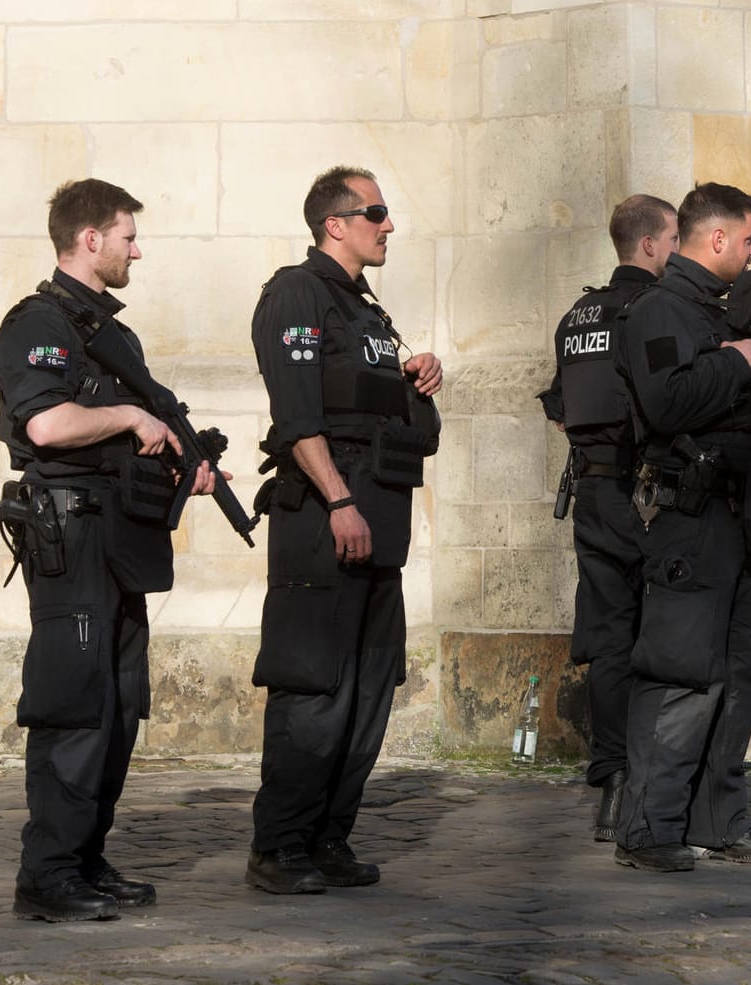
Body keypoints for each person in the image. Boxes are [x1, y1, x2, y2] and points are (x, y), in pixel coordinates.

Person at [0, 178, 220, 921]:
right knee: (75, 702)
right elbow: (48, 427)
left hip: (119, 534)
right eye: (127, 235)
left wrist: (181, 465)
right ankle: (47, 874)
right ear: (90, 239)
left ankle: (84, 857)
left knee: (120, 704)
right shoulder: (39, 322)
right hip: (71, 531)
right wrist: (125, 412)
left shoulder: (110, 331)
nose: (136, 248)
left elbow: (127, 433)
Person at [246, 166, 443, 894]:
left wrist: (416, 375)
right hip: (326, 520)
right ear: (335, 222)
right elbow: (297, 418)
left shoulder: (367, 314)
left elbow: (389, 422)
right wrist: (337, 500)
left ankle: (328, 836)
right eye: (376, 212)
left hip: (378, 522)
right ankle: (279, 845)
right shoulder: (297, 294)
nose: (388, 225)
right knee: (314, 686)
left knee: (367, 690)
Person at [611, 182, 751, 872]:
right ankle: (647, 828)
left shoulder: (711, 313)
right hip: (686, 519)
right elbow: (665, 402)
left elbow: (716, 393)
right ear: (715, 239)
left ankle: (717, 817)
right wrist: (734, 360)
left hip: (731, 515)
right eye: (748, 238)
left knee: (737, 672)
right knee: (679, 672)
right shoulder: (659, 310)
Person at [537, 194, 679, 841]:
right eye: (674, 238)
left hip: (591, 495)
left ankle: (612, 785)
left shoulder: (578, 314)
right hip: (645, 495)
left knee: (609, 644)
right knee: (662, 638)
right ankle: (652, 782)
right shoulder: (652, 310)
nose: (677, 250)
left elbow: (561, 404)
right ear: (648, 245)